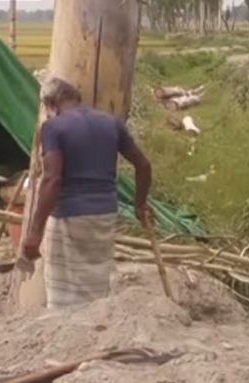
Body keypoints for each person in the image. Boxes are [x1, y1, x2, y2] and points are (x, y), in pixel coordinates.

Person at [22, 77, 153, 309]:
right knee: (96, 287)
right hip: (105, 215)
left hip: (68, 217)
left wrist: (34, 233)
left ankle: (69, 336)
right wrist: (140, 205)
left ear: (50, 102)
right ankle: (95, 333)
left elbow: (52, 179)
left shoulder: (53, 128)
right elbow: (143, 165)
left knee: (64, 294)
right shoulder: (112, 123)